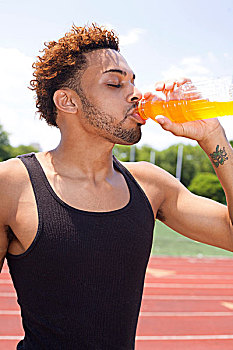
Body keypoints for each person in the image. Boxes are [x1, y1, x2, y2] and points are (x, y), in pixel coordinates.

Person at [0, 24, 233, 350]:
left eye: (133, 80)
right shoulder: (10, 185)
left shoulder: (151, 185)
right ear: (68, 101)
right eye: (114, 83)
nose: (135, 93)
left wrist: (213, 138)